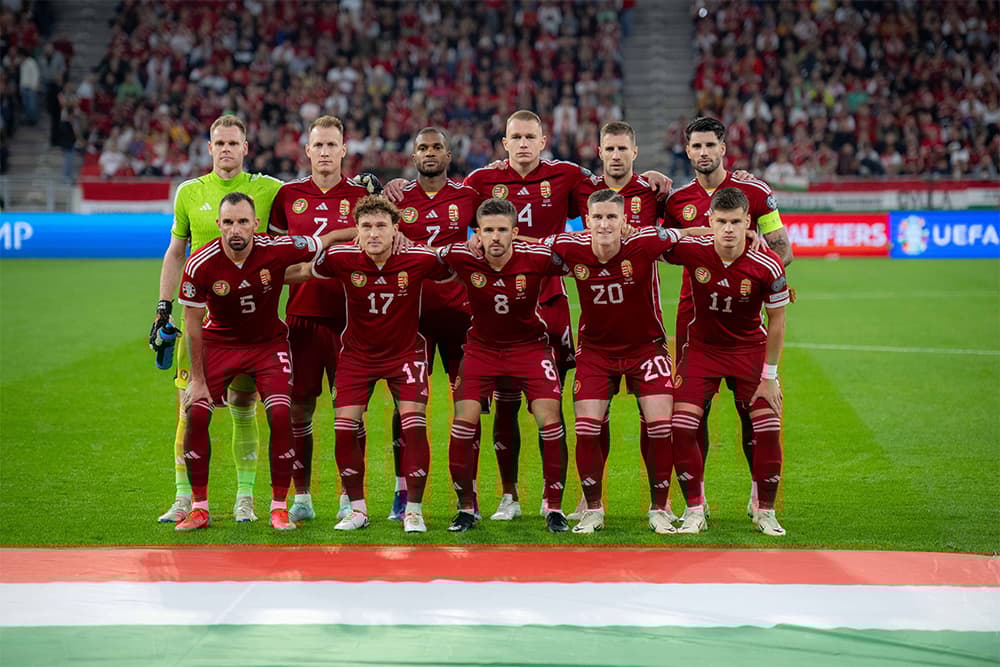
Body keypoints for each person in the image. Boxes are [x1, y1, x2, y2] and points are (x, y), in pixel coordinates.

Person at [461, 109, 670, 520]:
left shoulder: (569, 176)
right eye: (515, 137)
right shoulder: (481, 181)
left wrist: (652, 178)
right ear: (504, 143)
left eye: (530, 137)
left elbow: (611, 191)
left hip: (550, 302)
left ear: (543, 142)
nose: (522, 144)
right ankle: (509, 495)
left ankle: (553, 498)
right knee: (505, 402)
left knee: (552, 405)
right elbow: (446, 208)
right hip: (499, 302)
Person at [549, 189, 712, 534]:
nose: (605, 224)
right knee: (587, 428)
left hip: (646, 349)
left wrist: (748, 238)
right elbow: (526, 249)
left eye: (612, 217)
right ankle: (593, 510)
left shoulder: (647, 240)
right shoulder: (569, 247)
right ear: (587, 221)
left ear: (625, 222)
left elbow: (690, 234)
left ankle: (659, 508)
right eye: (598, 217)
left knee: (660, 427)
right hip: (595, 351)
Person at [151, 114, 282, 525]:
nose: (226, 149)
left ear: (246, 148)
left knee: (245, 407)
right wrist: (161, 307)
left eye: (233, 143)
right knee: (189, 406)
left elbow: (313, 199)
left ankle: (245, 497)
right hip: (199, 318)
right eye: (219, 143)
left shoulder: (269, 189)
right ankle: (183, 496)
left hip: (250, 318)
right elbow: (175, 252)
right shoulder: (189, 192)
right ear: (209, 149)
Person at [664, 116, 793, 518]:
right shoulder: (676, 202)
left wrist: (764, 270)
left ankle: (759, 494)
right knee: (690, 412)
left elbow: (783, 249)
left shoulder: (754, 191)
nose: (703, 153)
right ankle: (694, 500)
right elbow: (665, 246)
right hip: (693, 318)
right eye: (696, 146)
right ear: (687, 151)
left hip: (743, 318)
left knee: (750, 411)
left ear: (723, 148)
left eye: (710, 146)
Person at [174, 192, 324, 531]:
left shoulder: (277, 247)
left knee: (282, 412)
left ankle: (278, 507)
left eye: (243, 221)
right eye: (228, 222)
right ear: (218, 226)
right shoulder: (200, 262)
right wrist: (197, 381)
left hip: (268, 344)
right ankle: (199, 508)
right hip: (219, 343)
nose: (235, 229)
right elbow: (193, 325)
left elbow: (322, 241)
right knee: (195, 411)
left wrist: (358, 232)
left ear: (255, 224)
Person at [304, 195, 451, 534]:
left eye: (381, 226)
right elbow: (302, 271)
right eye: (366, 226)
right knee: (344, 429)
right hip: (357, 355)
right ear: (356, 230)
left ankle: (413, 510)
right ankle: (357, 510)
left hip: (406, 354)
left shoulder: (419, 258)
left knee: (413, 425)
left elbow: (455, 273)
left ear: (395, 229)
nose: (373, 234)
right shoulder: (341, 257)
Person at [267, 115, 376, 524]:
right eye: (319, 145)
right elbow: (276, 255)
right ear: (307, 150)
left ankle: (352, 498)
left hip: (352, 320)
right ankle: (304, 497)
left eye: (333, 145)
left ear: (344, 150)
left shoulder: (362, 197)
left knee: (350, 411)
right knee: (300, 410)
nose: (326, 152)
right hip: (302, 318)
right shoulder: (288, 196)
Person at [437, 198, 570, 533]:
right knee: (463, 424)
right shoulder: (461, 256)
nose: (495, 237)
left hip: (530, 349)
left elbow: (581, 258)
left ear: (515, 232)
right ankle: (466, 509)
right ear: (477, 234)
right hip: (481, 349)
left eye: (501, 230)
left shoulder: (538, 258)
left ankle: (554, 508)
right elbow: (423, 256)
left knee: (549, 418)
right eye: (487, 231)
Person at [385, 127, 483, 519]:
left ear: (448, 154)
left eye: (437, 147)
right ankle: (401, 491)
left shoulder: (468, 197)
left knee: (467, 407)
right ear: (412, 156)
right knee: (406, 408)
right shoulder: (398, 199)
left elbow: (496, 231)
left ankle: (468, 496)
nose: (430, 153)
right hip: (411, 319)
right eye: (422, 147)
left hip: (460, 318)